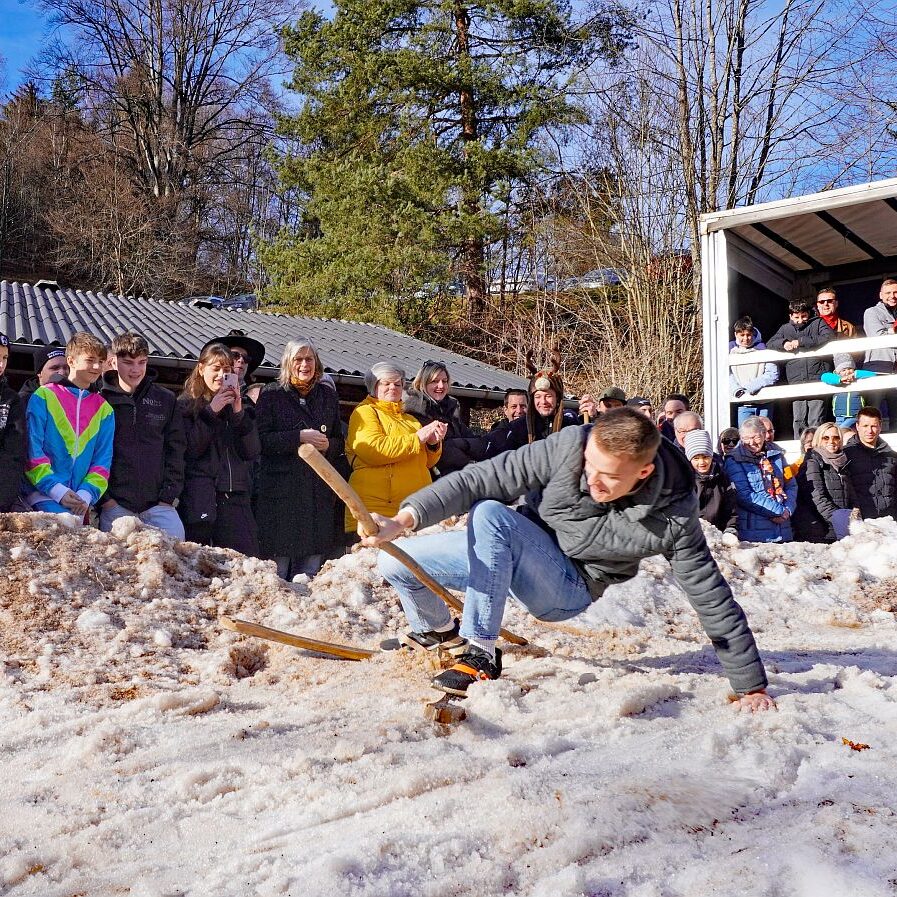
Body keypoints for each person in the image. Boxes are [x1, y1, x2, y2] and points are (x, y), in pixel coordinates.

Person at [366, 407, 773, 710]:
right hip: (514, 547)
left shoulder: (673, 516)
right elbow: (484, 477)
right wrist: (404, 519)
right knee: (395, 561)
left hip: (567, 587)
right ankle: (438, 631)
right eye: (589, 466)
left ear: (643, 472)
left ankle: (480, 653)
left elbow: (709, 594)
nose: (592, 480)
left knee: (490, 515)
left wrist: (750, 685)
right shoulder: (570, 446)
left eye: (608, 476)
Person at [255, 339, 346, 579]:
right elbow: (261, 440)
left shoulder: (327, 395)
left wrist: (328, 445)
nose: (304, 365)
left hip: (316, 493)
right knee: (277, 572)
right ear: (288, 362)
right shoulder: (272, 393)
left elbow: (339, 440)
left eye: (309, 359)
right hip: (281, 494)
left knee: (309, 573)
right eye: (298, 359)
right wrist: (298, 437)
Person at [98, 331, 186, 538]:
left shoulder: (166, 399)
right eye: (128, 362)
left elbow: (176, 449)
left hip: (160, 506)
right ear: (113, 361)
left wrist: (168, 497)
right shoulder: (100, 399)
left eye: (142, 362)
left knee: (176, 555)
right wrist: (106, 500)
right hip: (116, 506)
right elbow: (92, 451)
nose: (136, 369)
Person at [177, 342, 260, 554]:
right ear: (201, 368)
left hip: (235, 496)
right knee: (198, 563)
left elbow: (251, 451)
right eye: (216, 368)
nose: (221, 375)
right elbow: (190, 450)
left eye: (227, 370)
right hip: (199, 496)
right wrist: (211, 412)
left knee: (245, 560)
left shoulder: (242, 406)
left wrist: (238, 413)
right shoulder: (185, 405)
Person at [22, 331, 115, 516]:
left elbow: (103, 460)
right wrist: (56, 490)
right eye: (90, 360)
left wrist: (87, 493)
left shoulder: (105, 409)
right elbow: (32, 449)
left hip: (80, 502)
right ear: (71, 361)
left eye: (101, 361)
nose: (97, 366)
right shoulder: (44, 395)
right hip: (42, 496)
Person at [345, 362, 444, 533]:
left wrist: (433, 444)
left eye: (398, 384)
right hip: (376, 509)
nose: (393, 387)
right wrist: (417, 438)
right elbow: (373, 450)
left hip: (411, 509)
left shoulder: (411, 420)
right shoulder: (365, 412)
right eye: (386, 383)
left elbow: (427, 463)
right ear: (374, 386)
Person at [767, 300, 841, 438]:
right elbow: (770, 343)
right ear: (790, 316)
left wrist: (801, 341)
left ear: (809, 314)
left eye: (804, 316)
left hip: (817, 377)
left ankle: (816, 446)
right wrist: (784, 343)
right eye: (796, 317)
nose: (800, 320)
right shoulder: (785, 329)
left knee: (816, 418)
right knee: (798, 420)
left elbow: (828, 336)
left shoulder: (818, 322)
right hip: (796, 380)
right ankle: (800, 448)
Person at [404, 360, 487, 477]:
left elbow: (479, 443)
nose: (441, 386)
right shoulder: (414, 410)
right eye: (434, 381)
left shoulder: (451, 408)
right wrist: (468, 460)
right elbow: (440, 453)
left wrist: (458, 443)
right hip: (430, 479)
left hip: (460, 475)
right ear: (422, 383)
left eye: (444, 381)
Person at [485, 357, 580, 457]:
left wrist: (591, 417)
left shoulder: (571, 426)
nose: (543, 402)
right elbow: (488, 447)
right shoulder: (518, 427)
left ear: (557, 398)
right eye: (538, 397)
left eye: (548, 396)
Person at [724, 416, 796, 543]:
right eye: (746, 438)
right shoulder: (734, 459)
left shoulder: (777, 455)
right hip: (754, 534)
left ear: (763, 434)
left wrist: (788, 510)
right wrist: (778, 511)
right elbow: (744, 495)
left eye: (755, 437)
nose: (751, 442)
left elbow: (791, 485)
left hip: (783, 529)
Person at [793, 423, 855, 543]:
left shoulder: (843, 461)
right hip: (821, 530)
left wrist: (855, 514)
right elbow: (817, 498)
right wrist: (839, 519)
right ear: (818, 439)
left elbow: (852, 494)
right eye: (826, 438)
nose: (831, 441)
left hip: (841, 527)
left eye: (836, 437)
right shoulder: (812, 461)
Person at [843, 406, 897, 521]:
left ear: (880, 426)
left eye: (874, 426)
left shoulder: (892, 457)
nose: (870, 431)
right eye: (865, 426)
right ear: (857, 426)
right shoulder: (845, 455)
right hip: (859, 523)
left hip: (890, 521)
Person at [684, 429, 737, 534]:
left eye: (705, 457)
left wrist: (730, 530)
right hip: (693, 535)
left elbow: (731, 509)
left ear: (711, 456)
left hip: (718, 533)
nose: (701, 462)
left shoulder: (722, 478)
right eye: (696, 458)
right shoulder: (684, 481)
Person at [729, 316, 778, 425]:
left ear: (753, 334)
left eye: (748, 335)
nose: (746, 338)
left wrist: (750, 387)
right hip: (744, 403)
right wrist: (736, 390)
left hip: (764, 401)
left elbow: (772, 374)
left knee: (765, 431)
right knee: (745, 432)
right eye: (742, 335)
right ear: (736, 334)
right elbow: (728, 374)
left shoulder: (763, 350)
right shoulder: (731, 352)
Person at [862, 279, 897, 427]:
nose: (892, 296)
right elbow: (876, 335)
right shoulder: (871, 312)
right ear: (881, 295)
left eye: (895, 292)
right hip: (877, 370)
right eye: (888, 293)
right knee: (872, 415)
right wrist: (893, 330)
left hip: (895, 371)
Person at [199, 329, 266, 405]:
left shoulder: (257, 396)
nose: (241, 360)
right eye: (234, 355)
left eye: (246, 358)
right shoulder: (196, 398)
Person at [0, 332, 27, 511]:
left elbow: (13, 454)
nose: (1, 364)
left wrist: (2, 500)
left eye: (4, 357)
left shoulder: (11, 400)